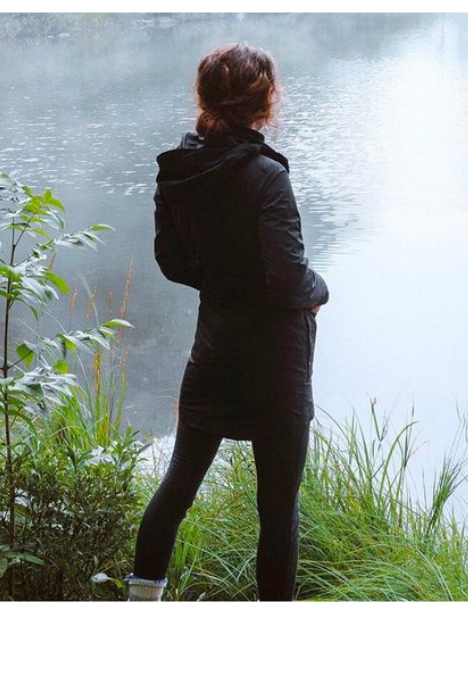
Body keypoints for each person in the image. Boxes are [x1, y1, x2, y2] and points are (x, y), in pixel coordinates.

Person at [127, 43, 328, 601]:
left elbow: (172, 263)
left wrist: (223, 283)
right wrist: (320, 293)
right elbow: (290, 279)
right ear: (266, 103)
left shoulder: (180, 168)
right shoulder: (266, 176)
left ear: (206, 97)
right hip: (274, 362)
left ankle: (140, 606)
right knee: (277, 511)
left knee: (176, 490)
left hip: (213, 351)